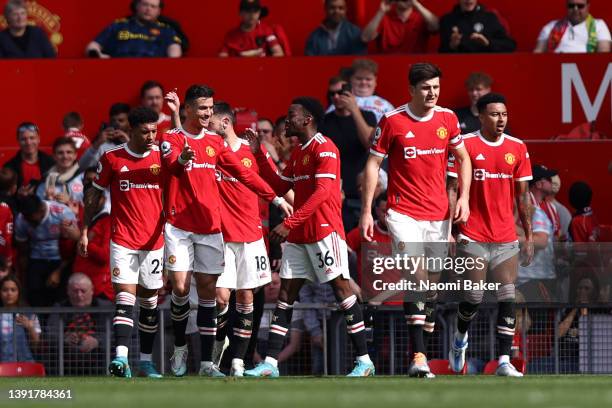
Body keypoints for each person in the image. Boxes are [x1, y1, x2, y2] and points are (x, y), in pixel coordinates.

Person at [159, 84, 290, 378]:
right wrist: (182, 160)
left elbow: (243, 173)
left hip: (209, 228)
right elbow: (172, 167)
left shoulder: (215, 143)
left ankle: (207, 364)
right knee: (180, 288)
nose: (207, 113)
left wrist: (276, 199)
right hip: (179, 227)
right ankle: (179, 344)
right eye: (202, 108)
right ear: (189, 110)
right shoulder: (170, 137)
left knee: (209, 294)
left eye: (210, 108)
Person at [244, 97, 375, 377]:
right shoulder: (300, 152)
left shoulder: (325, 148)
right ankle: (270, 363)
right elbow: (280, 185)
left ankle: (364, 361)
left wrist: (289, 222)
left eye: (292, 115)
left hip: (324, 233)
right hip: (299, 237)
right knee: (285, 296)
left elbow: (323, 193)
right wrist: (259, 155)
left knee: (342, 291)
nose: (286, 120)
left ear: (307, 119)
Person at [360, 62, 471, 378]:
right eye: (426, 87)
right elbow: (372, 165)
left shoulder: (448, 119)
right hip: (402, 213)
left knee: (430, 288)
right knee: (418, 277)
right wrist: (367, 210)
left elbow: (463, 159)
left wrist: (462, 198)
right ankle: (419, 357)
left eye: (436, 86)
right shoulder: (392, 121)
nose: (432, 92)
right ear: (411, 89)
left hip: (438, 216)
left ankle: (428, 316)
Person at [446, 93, 534, 377]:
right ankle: (459, 340)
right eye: (495, 114)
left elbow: (523, 198)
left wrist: (529, 236)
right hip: (472, 234)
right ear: (481, 116)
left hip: (505, 235)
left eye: (504, 114)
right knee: (473, 296)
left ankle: (504, 360)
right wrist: (449, 230)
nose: (501, 120)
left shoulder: (517, 148)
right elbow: (451, 189)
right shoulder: (465, 145)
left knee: (508, 295)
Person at [79, 106, 165, 378]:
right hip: (123, 239)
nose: (151, 136)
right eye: (145, 132)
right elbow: (95, 195)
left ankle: (146, 360)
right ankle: (121, 360)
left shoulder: (162, 156)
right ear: (131, 131)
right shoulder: (113, 158)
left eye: (154, 130)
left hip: (155, 241)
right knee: (125, 298)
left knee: (150, 301)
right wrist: (84, 228)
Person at [206, 102, 277, 376]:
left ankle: (238, 360)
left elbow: (274, 181)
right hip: (221, 236)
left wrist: (290, 207)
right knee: (221, 298)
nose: (206, 125)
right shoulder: (211, 152)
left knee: (246, 298)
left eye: (210, 121)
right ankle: (215, 355)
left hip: (250, 236)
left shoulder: (253, 151)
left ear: (224, 122)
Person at [321, 76, 377, 231]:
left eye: (341, 92)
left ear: (351, 93)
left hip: (362, 192)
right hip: (336, 193)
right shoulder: (324, 121)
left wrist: (354, 110)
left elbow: (369, 143)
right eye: (332, 94)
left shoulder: (367, 116)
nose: (336, 97)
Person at [14, 195, 79, 307]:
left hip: (62, 259)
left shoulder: (63, 213)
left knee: (59, 296)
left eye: (32, 220)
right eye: (27, 220)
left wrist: (59, 271)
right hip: (36, 259)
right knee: (35, 294)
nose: (29, 223)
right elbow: (23, 251)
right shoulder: (22, 219)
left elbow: (74, 247)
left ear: (42, 210)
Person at [46, 273, 112, 375]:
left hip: (100, 362)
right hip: (67, 364)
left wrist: (97, 341)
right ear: (68, 291)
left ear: (92, 291)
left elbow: (117, 333)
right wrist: (64, 338)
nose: (79, 295)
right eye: (75, 291)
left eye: (83, 291)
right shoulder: (60, 308)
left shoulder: (105, 308)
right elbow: (50, 333)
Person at [517, 165, 559, 302]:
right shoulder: (523, 206)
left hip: (542, 275)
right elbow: (541, 241)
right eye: (548, 179)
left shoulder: (549, 207)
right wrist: (518, 238)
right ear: (539, 183)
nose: (552, 181)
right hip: (530, 279)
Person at [85, 0, 182, 58]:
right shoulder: (119, 25)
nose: (148, 9)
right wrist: (99, 55)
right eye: (145, 4)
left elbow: (175, 51)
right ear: (137, 6)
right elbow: (93, 45)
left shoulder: (166, 30)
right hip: (118, 70)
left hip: (153, 71)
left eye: (153, 6)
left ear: (159, 11)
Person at [73, 184, 113, 301]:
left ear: (104, 199)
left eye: (96, 197)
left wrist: (80, 240)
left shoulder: (108, 222)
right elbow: (69, 253)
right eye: (88, 198)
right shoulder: (82, 221)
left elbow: (105, 256)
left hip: (100, 291)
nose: (91, 201)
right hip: (78, 289)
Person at [327, 59, 394, 123]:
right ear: (351, 79)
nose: (363, 82)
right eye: (359, 78)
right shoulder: (340, 102)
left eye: (368, 79)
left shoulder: (386, 105)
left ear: (375, 81)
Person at [361, 0, 439, 54]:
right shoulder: (384, 18)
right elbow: (365, 38)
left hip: (416, 65)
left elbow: (436, 27)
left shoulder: (421, 18)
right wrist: (381, 11)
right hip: (388, 64)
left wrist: (417, 4)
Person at [439, 0, 516, 53]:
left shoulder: (489, 18)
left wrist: (487, 43)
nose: (469, 0)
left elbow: (509, 45)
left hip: (488, 67)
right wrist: (452, 46)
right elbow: (441, 53)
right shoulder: (447, 20)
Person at [534, 0, 611, 53]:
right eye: (571, 6)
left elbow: (603, 54)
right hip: (554, 69)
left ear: (588, 6)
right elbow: (538, 53)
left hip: (587, 69)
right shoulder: (551, 26)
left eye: (580, 6)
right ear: (566, 6)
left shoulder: (598, 25)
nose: (575, 9)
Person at [219, 0, 284, 57]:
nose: (252, 14)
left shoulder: (266, 31)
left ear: (259, 13)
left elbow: (279, 54)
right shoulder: (231, 36)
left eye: (255, 11)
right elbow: (222, 58)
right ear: (240, 13)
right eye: (248, 11)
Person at [3, 122, 54, 195]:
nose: (28, 142)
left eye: (32, 138)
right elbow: (4, 196)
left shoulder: (51, 163)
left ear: (39, 139)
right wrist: (18, 195)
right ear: (18, 141)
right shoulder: (9, 167)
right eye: (23, 139)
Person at [79, 103, 132, 170]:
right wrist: (97, 144)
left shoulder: (138, 141)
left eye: (121, 121)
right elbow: (82, 167)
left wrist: (129, 143)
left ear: (129, 123)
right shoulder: (103, 146)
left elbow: (144, 165)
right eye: (113, 121)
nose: (116, 124)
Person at [36, 137, 84, 210]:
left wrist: (69, 202)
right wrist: (48, 201)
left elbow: (92, 208)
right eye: (60, 153)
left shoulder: (84, 178)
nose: (65, 156)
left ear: (75, 155)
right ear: (54, 156)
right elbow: (39, 214)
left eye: (69, 152)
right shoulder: (45, 181)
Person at [0, 275, 40, 362]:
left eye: (13, 290)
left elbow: (36, 345)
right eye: (5, 290)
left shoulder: (29, 314)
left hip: (25, 364)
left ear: (19, 292)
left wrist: (30, 328)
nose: (9, 293)